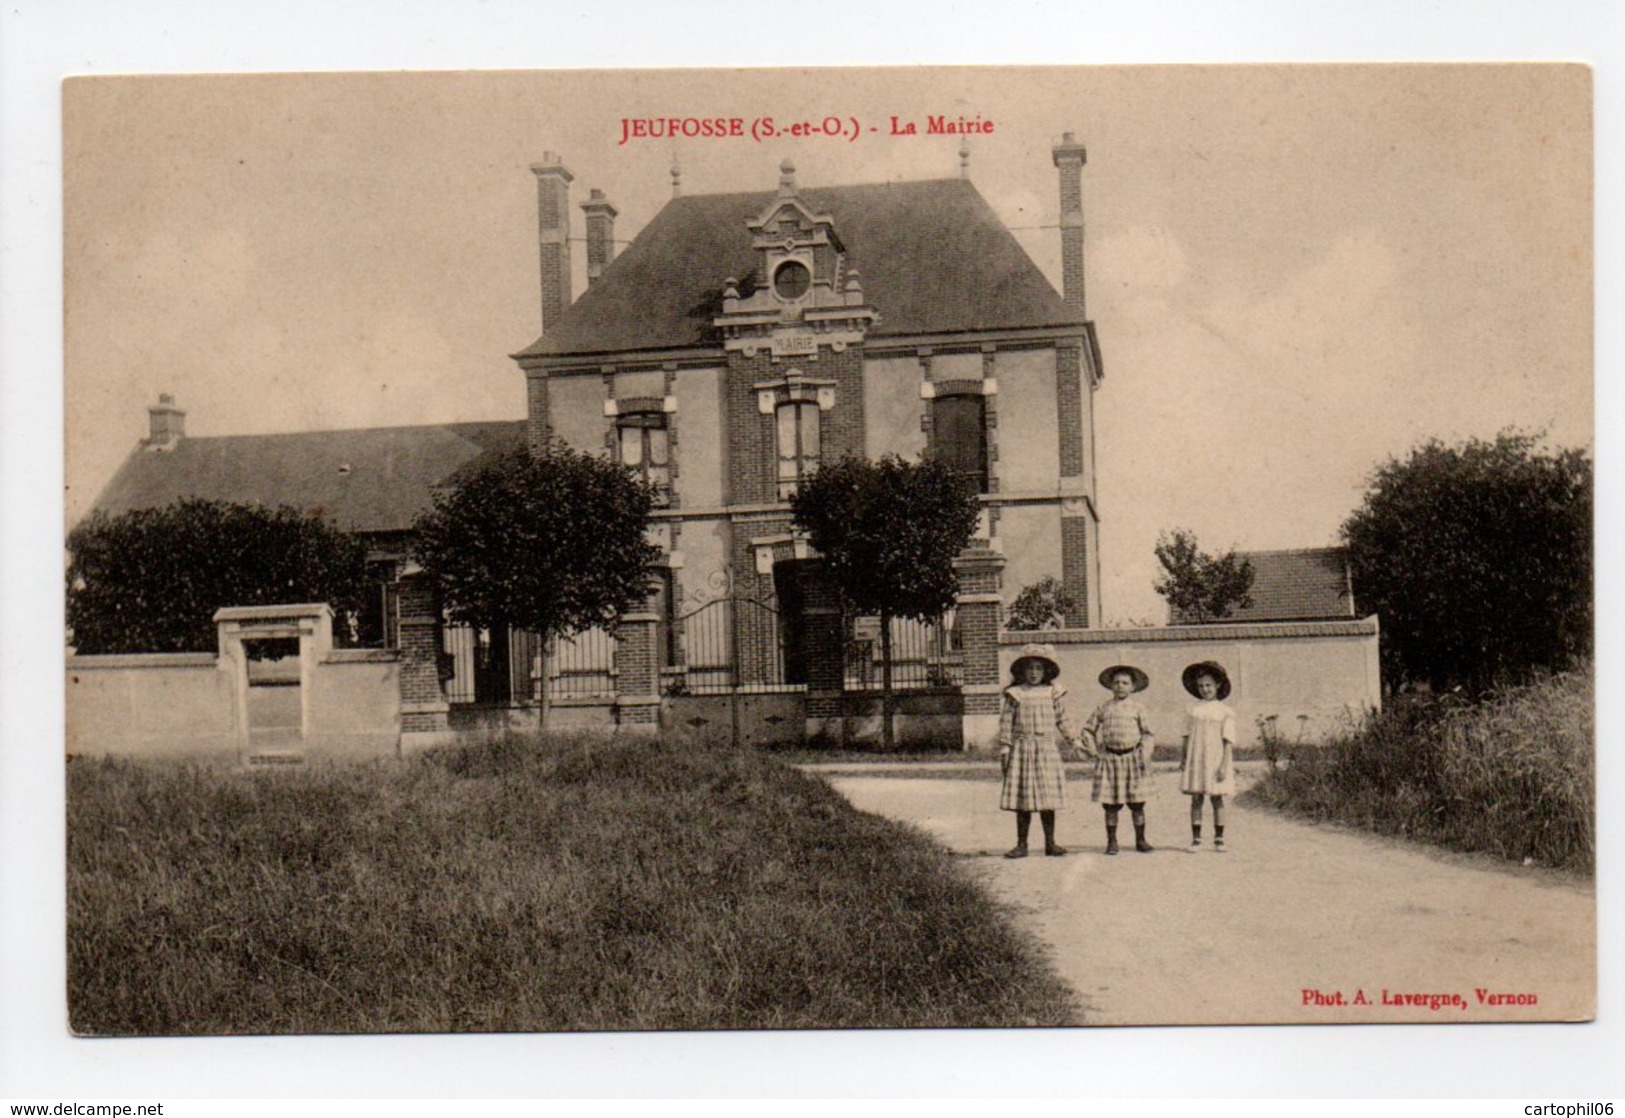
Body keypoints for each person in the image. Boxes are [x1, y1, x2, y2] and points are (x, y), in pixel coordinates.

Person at [997, 643, 1079, 859]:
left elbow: (1062, 719)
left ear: (1046, 672)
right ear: (1022, 671)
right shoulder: (1015, 694)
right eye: (1030, 668)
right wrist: (1005, 748)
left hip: (1046, 749)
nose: (1034, 673)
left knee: (1047, 798)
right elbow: (1006, 723)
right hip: (1022, 749)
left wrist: (1074, 740)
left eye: (1038, 669)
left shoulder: (1053, 692)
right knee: (1023, 799)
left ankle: (1050, 843)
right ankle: (1021, 844)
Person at [1080, 664, 1156, 854]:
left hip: (1133, 760)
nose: (1120, 686)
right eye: (1116, 682)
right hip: (1110, 760)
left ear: (1132, 687)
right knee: (1111, 805)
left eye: (1125, 683)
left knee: (1137, 803)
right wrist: (1094, 751)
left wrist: (1144, 755)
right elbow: (1088, 731)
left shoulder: (1138, 708)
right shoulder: (1103, 708)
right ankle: (1112, 841)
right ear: (1110, 686)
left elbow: (1148, 734)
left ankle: (1141, 839)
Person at [1179, 661, 1237, 852]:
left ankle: (1219, 838)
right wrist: (1184, 758)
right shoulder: (1192, 710)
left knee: (1216, 798)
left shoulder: (1225, 711)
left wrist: (1223, 765)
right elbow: (1186, 736)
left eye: (1209, 685)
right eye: (1201, 686)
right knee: (1196, 798)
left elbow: (1228, 741)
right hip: (1196, 758)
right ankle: (1196, 839)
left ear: (1218, 685)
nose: (1205, 689)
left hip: (1216, 759)